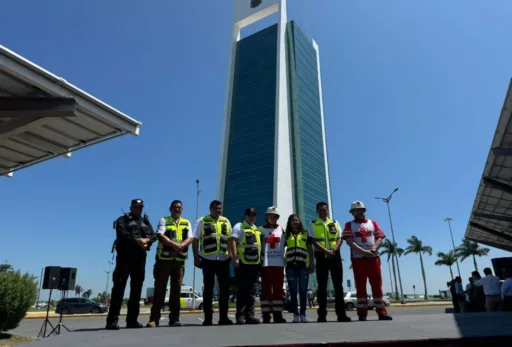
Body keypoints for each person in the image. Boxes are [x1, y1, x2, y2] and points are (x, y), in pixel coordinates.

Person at [106, 199, 156, 330]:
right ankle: (112, 321)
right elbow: (122, 234)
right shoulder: (122, 220)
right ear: (131, 207)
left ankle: (132, 320)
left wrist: (147, 240)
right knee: (118, 290)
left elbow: (154, 234)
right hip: (124, 258)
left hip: (139, 259)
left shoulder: (145, 221)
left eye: (140, 207)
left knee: (136, 290)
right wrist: (137, 241)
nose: (138, 209)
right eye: (136, 207)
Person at [343, 201, 392, 321]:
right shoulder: (349, 225)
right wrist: (364, 252)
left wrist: (374, 248)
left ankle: (382, 312)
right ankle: (362, 313)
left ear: (364, 211)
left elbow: (380, 237)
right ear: (352, 213)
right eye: (356, 211)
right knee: (360, 286)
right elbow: (349, 242)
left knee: (377, 285)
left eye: (361, 210)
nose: (359, 212)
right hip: (358, 260)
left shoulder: (373, 223)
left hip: (373, 259)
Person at [147, 200, 193, 327]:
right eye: (175, 207)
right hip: (164, 261)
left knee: (176, 291)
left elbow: (190, 237)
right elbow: (160, 235)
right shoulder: (164, 220)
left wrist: (182, 246)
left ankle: (174, 319)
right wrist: (175, 245)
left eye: (179, 208)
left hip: (179, 262)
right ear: (170, 209)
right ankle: (154, 319)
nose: (177, 210)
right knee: (160, 290)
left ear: (182, 209)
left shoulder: (186, 222)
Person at [192, 200, 233, 326]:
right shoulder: (202, 221)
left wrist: (230, 253)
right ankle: (208, 318)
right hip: (207, 260)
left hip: (223, 260)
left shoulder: (226, 221)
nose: (218, 211)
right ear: (210, 209)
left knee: (225, 290)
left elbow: (230, 239)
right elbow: (195, 240)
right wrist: (196, 257)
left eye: (220, 208)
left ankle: (223, 317)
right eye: (216, 208)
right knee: (208, 290)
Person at [309, 202, 351, 323]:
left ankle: (341, 315)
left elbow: (340, 238)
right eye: (320, 210)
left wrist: (334, 250)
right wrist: (326, 251)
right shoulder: (312, 224)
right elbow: (313, 240)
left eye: (325, 210)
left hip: (335, 256)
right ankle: (322, 315)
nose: (323, 212)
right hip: (321, 256)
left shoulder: (335, 223)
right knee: (322, 287)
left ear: (328, 210)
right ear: (317, 211)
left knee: (338, 286)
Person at [229, 207, 262, 325]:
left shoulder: (256, 229)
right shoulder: (239, 226)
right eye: (250, 215)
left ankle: (250, 316)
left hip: (255, 264)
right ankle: (240, 316)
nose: (252, 217)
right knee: (242, 291)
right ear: (245, 216)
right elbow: (233, 241)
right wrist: (235, 257)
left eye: (254, 215)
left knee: (252, 292)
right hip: (243, 263)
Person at [259, 206, 287, 324]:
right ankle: (266, 315)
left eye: (275, 216)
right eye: (270, 216)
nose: (273, 218)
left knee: (278, 290)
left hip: (279, 264)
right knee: (265, 290)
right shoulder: (260, 229)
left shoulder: (281, 229)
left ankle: (278, 315)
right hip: (265, 264)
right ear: (266, 217)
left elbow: (285, 244)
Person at [285, 214, 315, 323]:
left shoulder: (305, 233)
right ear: (289, 223)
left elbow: (310, 249)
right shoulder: (286, 234)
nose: (295, 222)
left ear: (299, 222)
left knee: (303, 291)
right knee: (293, 291)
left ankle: (303, 314)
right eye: (293, 221)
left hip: (303, 266)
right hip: (290, 266)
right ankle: (295, 315)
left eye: (297, 220)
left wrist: (312, 263)